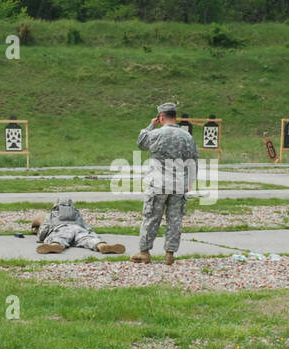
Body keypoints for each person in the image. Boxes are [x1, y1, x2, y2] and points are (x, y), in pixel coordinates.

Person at [132, 102, 199, 265]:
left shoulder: (156, 134)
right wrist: (190, 182)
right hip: (178, 185)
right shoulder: (187, 136)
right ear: (175, 117)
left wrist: (150, 125)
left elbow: (141, 143)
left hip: (158, 184)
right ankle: (170, 254)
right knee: (175, 220)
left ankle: (145, 252)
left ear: (161, 117)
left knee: (151, 218)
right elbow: (193, 161)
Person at [34, 198, 126, 254]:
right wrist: (91, 233)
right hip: (78, 228)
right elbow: (85, 226)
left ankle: (55, 245)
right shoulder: (75, 212)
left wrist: (40, 237)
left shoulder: (53, 213)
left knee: (59, 238)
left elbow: (45, 228)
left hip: (62, 228)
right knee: (87, 238)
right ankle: (100, 245)